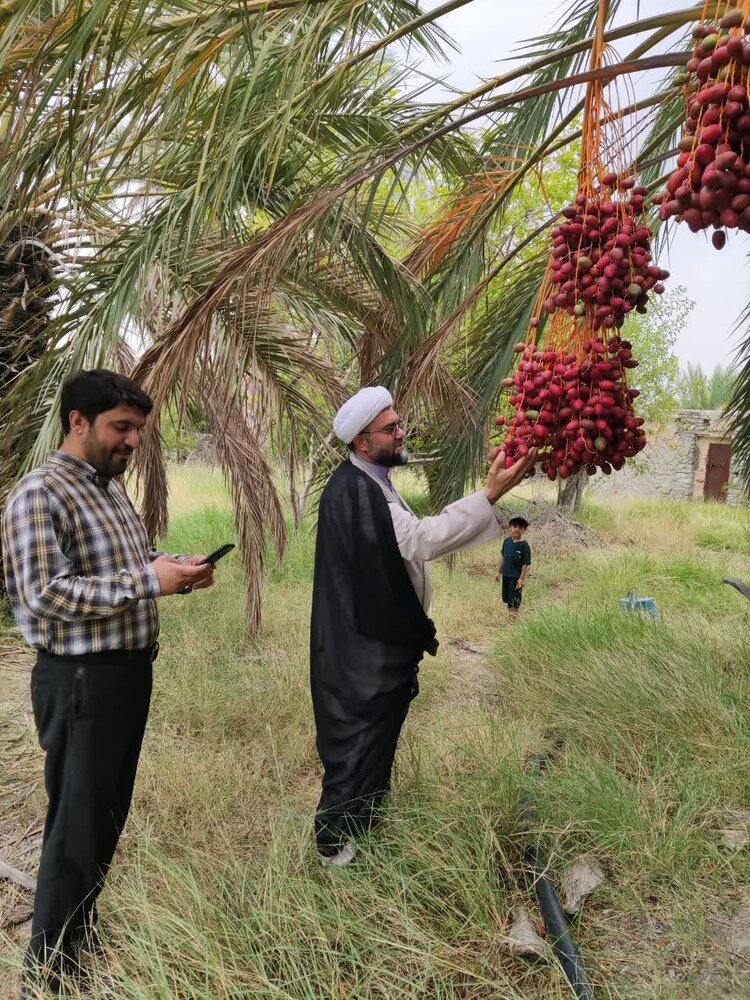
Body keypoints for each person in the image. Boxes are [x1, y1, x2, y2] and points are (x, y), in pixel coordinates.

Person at [1, 369, 215, 994]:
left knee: (103, 816)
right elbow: (41, 595)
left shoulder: (109, 489)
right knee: (77, 823)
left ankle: (78, 932)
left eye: (140, 431)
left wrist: (167, 565)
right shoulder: (40, 495)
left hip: (123, 675)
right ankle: (50, 972)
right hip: (80, 682)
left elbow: (123, 565)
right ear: (77, 421)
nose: (132, 442)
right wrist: (149, 582)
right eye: (122, 428)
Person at [310, 386, 536, 866]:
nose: (401, 433)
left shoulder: (373, 483)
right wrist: (489, 494)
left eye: (399, 423)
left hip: (372, 642)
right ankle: (335, 850)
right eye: (390, 429)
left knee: (376, 739)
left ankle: (363, 831)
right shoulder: (353, 490)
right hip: (361, 649)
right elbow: (419, 541)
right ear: (363, 442)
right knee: (359, 738)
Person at [495, 516, 531, 618]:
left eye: (520, 527)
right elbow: (503, 556)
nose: (517, 529)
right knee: (508, 598)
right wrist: (498, 571)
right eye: (514, 526)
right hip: (506, 574)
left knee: (515, 599)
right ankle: (509, 616)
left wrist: (522, 578)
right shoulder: (507, 542)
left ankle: (513, 619)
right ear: (510, 528)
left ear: (524, 529)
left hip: (516, 577)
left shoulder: (524, 545)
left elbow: (525, 563)